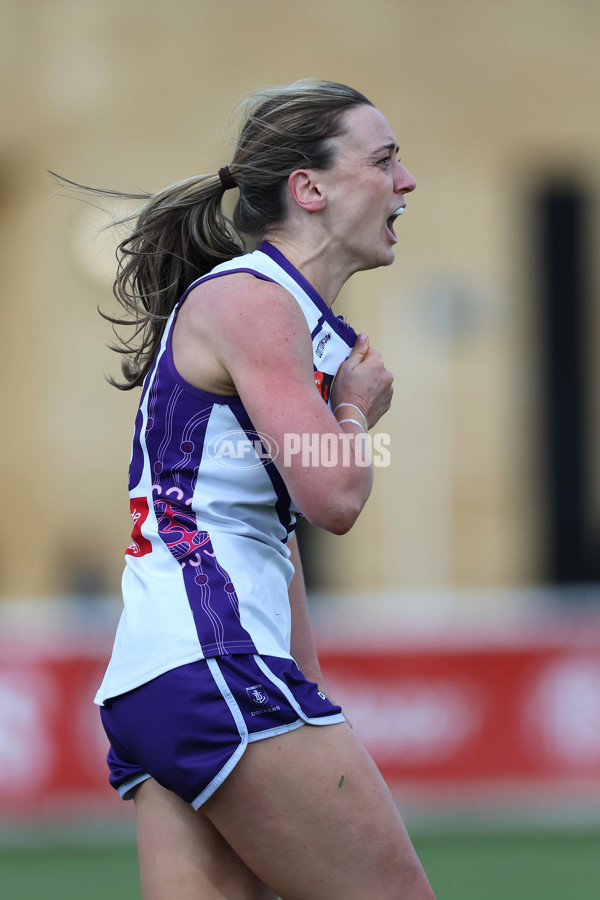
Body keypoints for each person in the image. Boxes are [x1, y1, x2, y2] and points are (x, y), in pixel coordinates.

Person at [88, 79, 433, 899]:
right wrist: (354, 407)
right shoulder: (255, 303)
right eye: (385, 160)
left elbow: (266, 531)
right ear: (308, 189)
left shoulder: (278, 315)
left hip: (163, 678)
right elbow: (334, 499)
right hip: (211, 666)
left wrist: (305, 688)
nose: (407, 181)